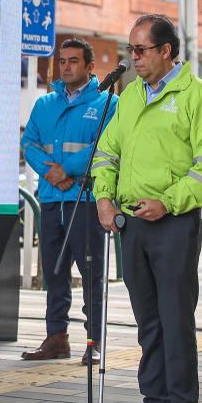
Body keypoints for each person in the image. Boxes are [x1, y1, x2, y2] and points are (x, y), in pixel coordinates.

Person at [92, 14, 202, 403]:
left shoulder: (195, 95)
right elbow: (107, 153)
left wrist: (168, 201)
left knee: (175, 320)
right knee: (148, 321)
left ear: (166, 51)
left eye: (140, 50)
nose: (133, 57)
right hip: (131, 224)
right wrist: (104, 198)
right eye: (130, 50)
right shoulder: (129, 95)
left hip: (173, 223)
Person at [21, 38, 116, 365]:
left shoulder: (107, 102)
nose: (66, 66)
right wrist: (51, 173)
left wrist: (68, 170)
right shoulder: (44, 104)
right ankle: (56, 338)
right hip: (51, 200)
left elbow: (104, 145)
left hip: (85, 201)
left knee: (91, 275)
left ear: (90, 66)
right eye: (62, 61)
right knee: (54, 274)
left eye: (73, 61)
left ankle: (95, 341)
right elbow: (29, 143)